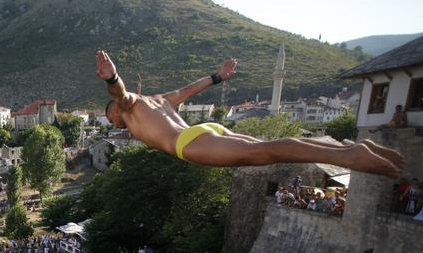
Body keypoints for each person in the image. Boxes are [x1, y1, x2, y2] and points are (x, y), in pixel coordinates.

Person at [96, 50, 403, 177]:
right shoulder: (158, 99)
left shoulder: (129, 108)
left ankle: (347, 157)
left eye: (111, 118)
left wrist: (112, 78)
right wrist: (218, 77)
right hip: (206, 130)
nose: (113, 122)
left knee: (265, 153)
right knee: (261, 150)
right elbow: (189, 90)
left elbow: (120, 94)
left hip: (187, 144)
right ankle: (347, 148)